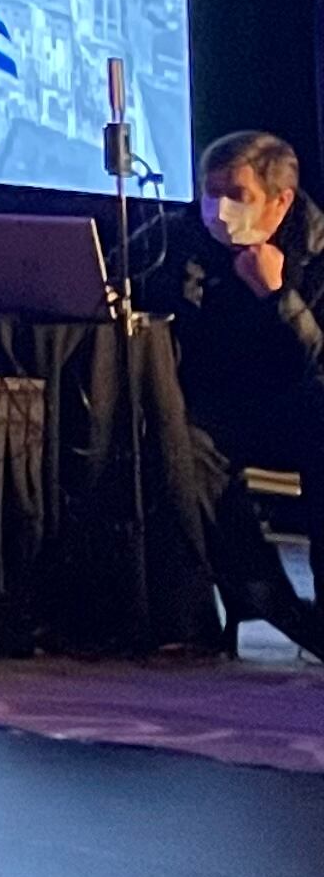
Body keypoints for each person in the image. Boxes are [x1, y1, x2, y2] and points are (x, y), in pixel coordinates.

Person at [145, 129, 324, 653]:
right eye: (210, 192)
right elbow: (120, 271)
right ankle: (268, 599)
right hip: (230, 407)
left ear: (280, 201)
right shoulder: (184, 237)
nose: (219, 209)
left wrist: (277, 295)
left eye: (237, 196)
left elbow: (318, 362)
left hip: (306, 405)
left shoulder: (316, 251)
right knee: (183, 443)